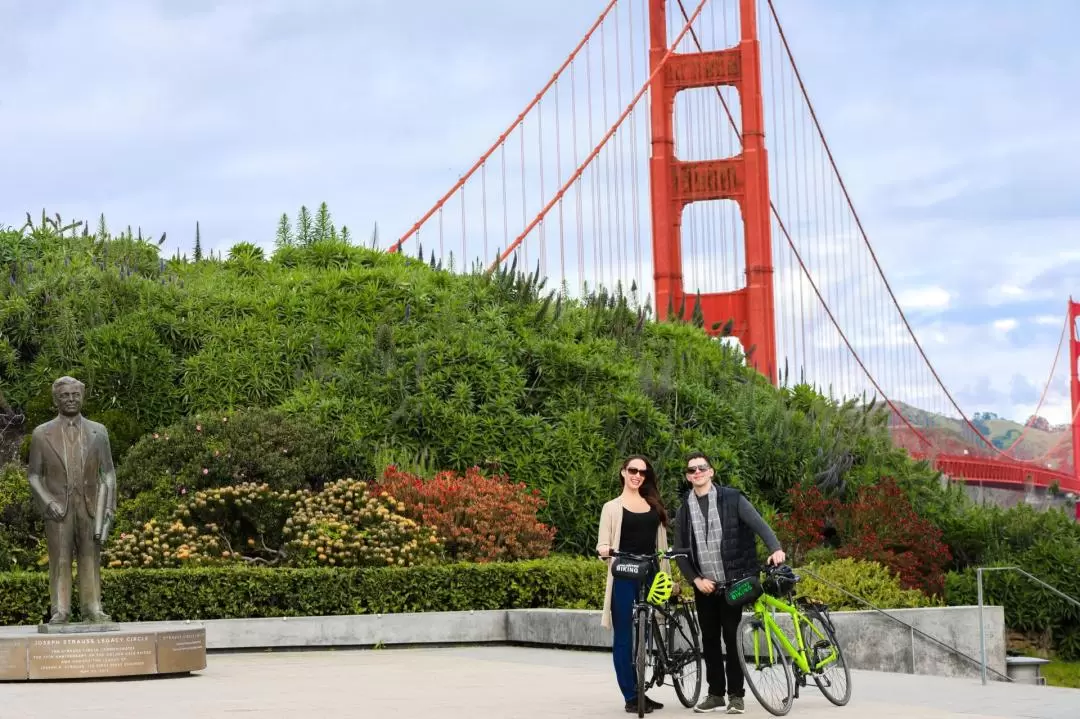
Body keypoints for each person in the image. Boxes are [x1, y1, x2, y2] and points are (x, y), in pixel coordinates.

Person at [673, 452, 785, 714]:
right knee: (709, 640)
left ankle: (736, 695)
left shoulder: (733, 498)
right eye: (692, 470)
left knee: (732, 638)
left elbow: (759, 524)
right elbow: (680, 553)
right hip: (705, 586)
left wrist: (776, 548)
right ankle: (715, 694)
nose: (697, 473)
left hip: (733, 583)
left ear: (711, 472)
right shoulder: (684, 510)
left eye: (701, 468)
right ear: (688, 477)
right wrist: (696, 579)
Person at [596, 455, 671, 714]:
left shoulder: (653, 505)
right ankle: (630, 695)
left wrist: (667, 578)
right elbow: (602, 544)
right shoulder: (611, 507)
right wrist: (605, 549)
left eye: (642, 472)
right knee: (625, 637)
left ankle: (641, 691)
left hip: (650, 572)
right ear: (623, 472)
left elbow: (661, 548)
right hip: (624, 573)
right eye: (633, 470)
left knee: (647, 633)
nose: (637, 475)